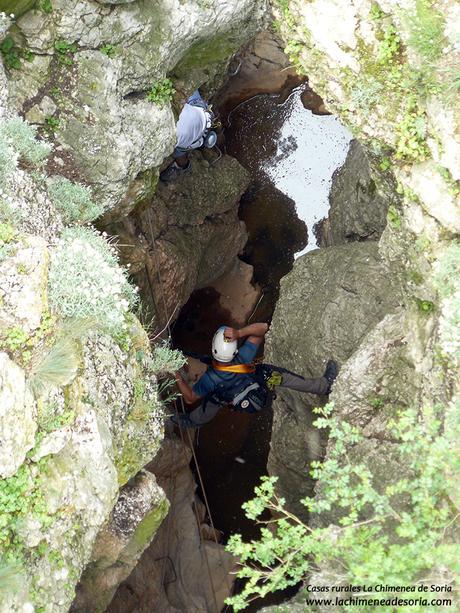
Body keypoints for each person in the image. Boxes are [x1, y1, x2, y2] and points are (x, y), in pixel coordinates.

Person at [172, 323, 338, 428]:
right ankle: (323, 386)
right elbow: (263, 329)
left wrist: (175, 373)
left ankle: (190, 421)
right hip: (255, 384)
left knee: (213, 401)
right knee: (280, 376)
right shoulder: (243, 356)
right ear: (234, 350)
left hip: (225, 395)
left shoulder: (209, 380)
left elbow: (190, 398)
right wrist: (239, 333)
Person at [160, 90, 214, 182]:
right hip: (200, 110)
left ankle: (182, 166)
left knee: (179, 152)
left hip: (193, 137)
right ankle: (210, 130)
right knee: (189, 88)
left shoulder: (165, 138)